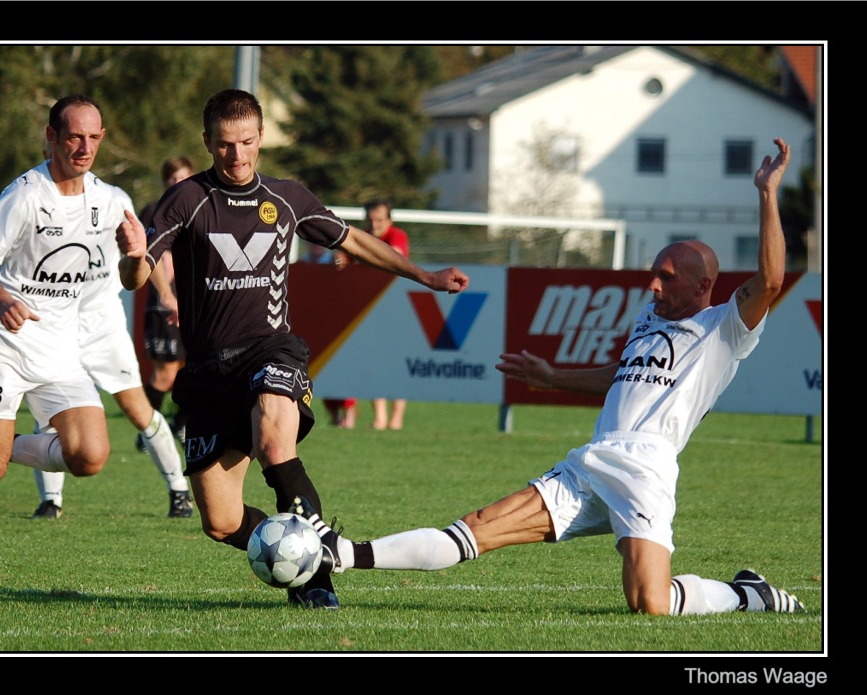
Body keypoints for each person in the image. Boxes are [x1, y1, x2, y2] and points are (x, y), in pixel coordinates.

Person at [292, 138, 806, 616]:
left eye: (666, 278)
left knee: (650, 602)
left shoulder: (724, 329)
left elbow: (771, 280)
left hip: (647, 470)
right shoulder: (650, 319)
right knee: (476, 529)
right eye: (653, 272)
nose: (651, 284)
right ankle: (343, 553)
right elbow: (621, 377)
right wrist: (551, 376)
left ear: (704, 285)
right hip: (594, 458)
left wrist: (766, 194)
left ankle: (746, 595)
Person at [115, 88, 470, 609]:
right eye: (224, 145)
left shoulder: (286, 198)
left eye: (246, 142)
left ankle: (315, 576)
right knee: (221, 522)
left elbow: (351, 240)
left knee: (275, 439)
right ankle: (305, 550)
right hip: (209, 375)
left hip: (270, 351)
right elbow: (136, 275)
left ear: (261, 139)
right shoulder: (186, 200)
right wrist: (133, 258)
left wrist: (425, 275)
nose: (236, 156)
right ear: (208, 142)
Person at [0, 94, 129, 585]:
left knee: (91, 456)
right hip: (5, 344)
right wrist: (2, 299)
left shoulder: (111, 202)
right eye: (73, 137)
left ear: (102, 138)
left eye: (93, 137)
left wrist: (139, 257)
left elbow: (134, 277)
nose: (84, 148)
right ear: (52, 137)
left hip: (61, 350)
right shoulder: (24, 195)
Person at [23, 151, 194, 520]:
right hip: (55, 326)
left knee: (138, 410)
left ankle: (179, 490)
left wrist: (165, 293)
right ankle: (51, 501)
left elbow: (142, 252)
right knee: (49, 415)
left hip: (102, 326)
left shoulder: (114, 199)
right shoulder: (32, 199)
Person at [134, 155, 195, 452]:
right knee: (166, 372)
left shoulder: (200, 209)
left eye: (183, 178)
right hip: (164, 304)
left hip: (195, 302)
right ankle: (146, 429)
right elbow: (148, 255)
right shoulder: (154, 211)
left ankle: (182, 425)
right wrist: (168, 295)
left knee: (197, 369)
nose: (178, 184)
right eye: (172, 180)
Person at [363, 199, 410, 430]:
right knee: (374, 361)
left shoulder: (396, 235)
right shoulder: (362, 236)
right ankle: (380, 417)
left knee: (396, 364)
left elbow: (395, 255)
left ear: (389, 221)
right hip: (370, 311)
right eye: (371, 220)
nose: (375, 224)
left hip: (396, 310)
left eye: (380, 220)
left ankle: (396, 419)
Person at [299, 243, 357, 428]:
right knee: (321, 370)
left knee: (342, 369)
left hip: (335, 324)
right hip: (312, 324)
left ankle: (349, 414)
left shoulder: (334, 261)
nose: (315, 244)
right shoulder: (300, 264)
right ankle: (333, 414)